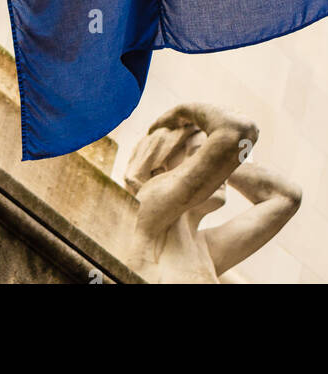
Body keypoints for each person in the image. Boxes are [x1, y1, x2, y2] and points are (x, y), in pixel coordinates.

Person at [123, 101, 302, 283]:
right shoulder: (147, 213)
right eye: (201, 153)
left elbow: (287, 198)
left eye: (215, 157)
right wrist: (183, 112)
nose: (219, 170)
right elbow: (240, 131)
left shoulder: (205, 250)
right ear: (162, 166)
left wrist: (230, 161)